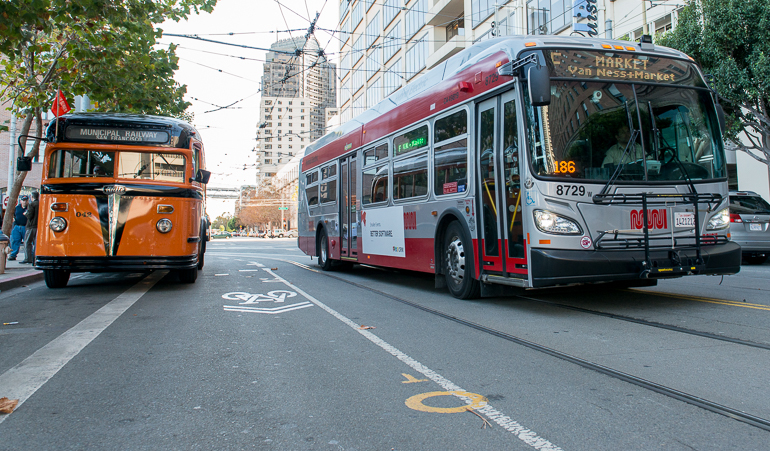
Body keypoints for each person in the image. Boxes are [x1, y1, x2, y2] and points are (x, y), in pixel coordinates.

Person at [21, 191, 38, 264]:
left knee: (27, 242)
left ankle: (28, 258)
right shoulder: (41, 204)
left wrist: (26, 214)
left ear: (32, 197)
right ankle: (35, 258)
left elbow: (30, 215)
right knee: (36, 243)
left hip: (31, 226)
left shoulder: (32, 204)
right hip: (38, 226)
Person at [9, 195, 28, 261]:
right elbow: (13, 215)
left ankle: (28, 256)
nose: (24, 202)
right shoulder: (17, 208)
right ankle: (13, 255)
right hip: (17, 226)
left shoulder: (29, 208)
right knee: (15, 241)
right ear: (21, 201)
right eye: (23, 200)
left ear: (28, 201)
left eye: (26, 200)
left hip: (25, 227)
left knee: (27, 242)